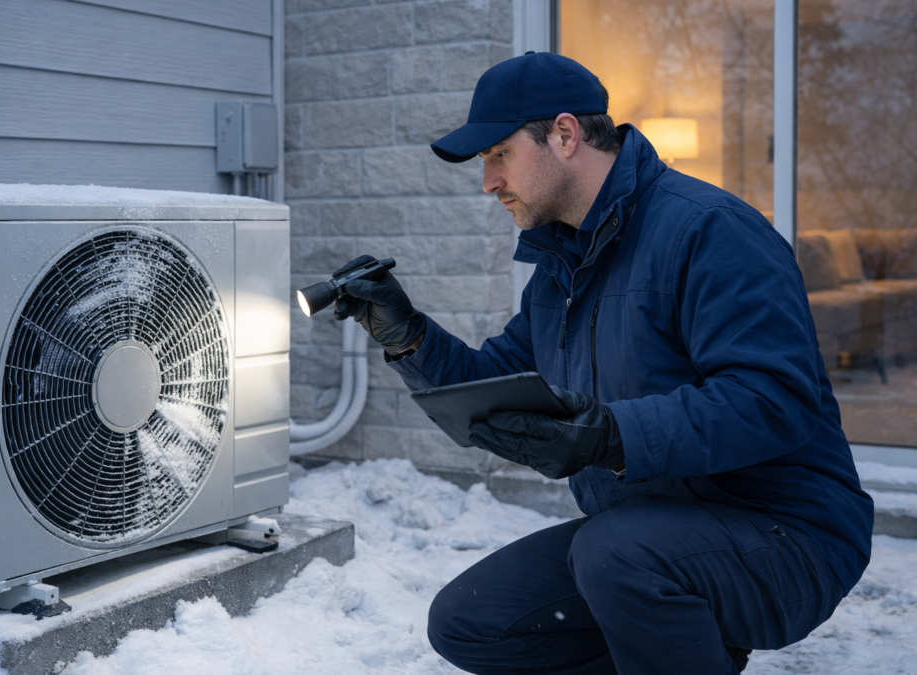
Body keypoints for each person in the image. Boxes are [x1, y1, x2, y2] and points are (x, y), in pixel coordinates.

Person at [330, 52, 874, 674]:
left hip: (786, 534)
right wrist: (409, 337)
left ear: (564, 135)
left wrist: (612, 436)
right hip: (648, 531)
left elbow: (774, 400)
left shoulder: (709, 230)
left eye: (500, 154)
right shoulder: (562, 269)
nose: (488, 181)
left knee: (616, 555)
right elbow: (500, 390)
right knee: (471, 621)